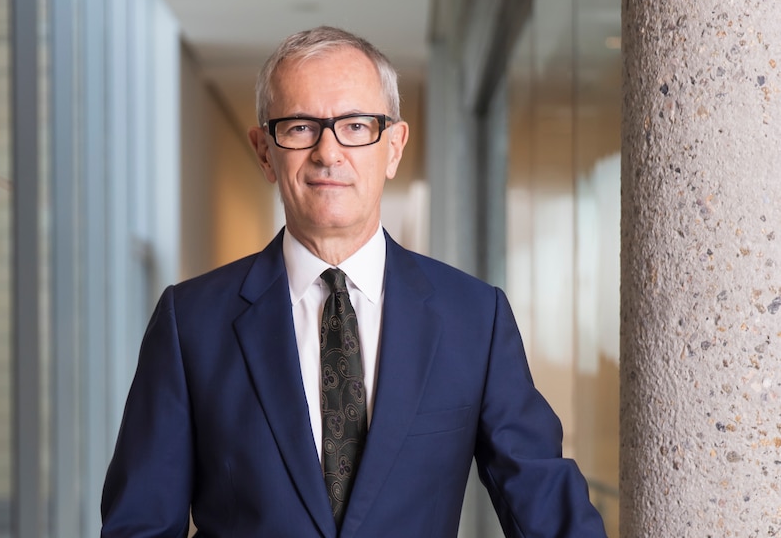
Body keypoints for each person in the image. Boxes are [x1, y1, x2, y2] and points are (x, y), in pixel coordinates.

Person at [100, 26, 607, 538]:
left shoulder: (474, 318)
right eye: (300, 127)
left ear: (393, 146)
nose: (328, 152)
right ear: (263, 151)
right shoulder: (190, 323)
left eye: (357, 125)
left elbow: (544, 504)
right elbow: (139, 525)